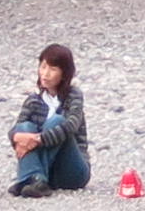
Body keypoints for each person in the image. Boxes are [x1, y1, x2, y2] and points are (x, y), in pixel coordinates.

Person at [6, 42, 90, 195]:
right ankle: (36, 180)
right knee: (24, 127)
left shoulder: (73, 96)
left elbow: (71, 125)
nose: (45, 74)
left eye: (52, 69)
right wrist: (17, 137)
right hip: (48, 174)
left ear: (64, 73)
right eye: (43, 67)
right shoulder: (33, 101)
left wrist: (38, 140)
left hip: (72, 171)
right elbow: (16, 130)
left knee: (57, 121)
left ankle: (27, 178)